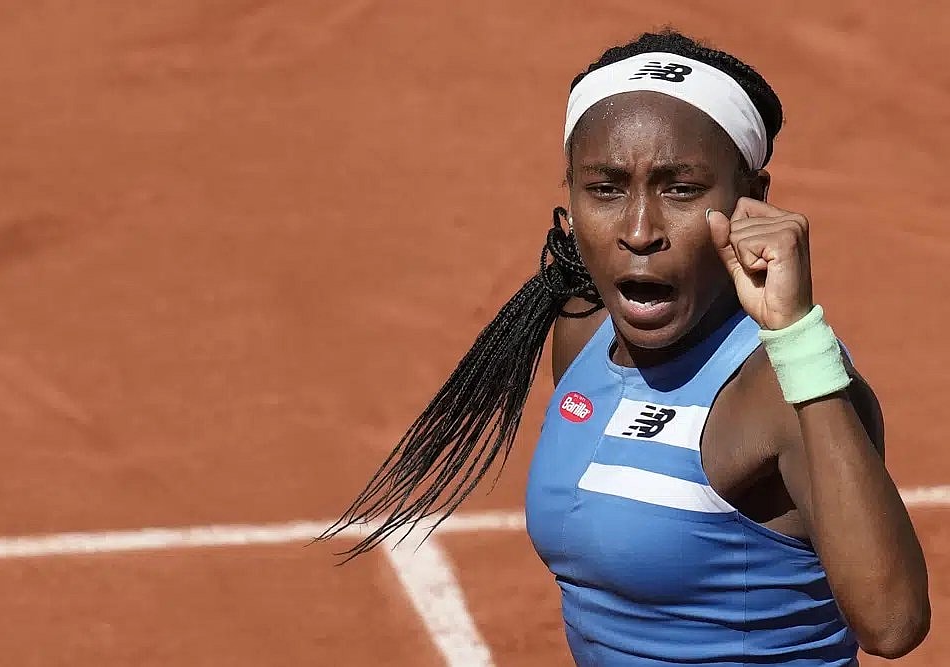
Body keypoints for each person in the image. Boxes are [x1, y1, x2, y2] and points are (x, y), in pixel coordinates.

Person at [320, 29, 930, 664]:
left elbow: (893, 625)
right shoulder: (582, 330)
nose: (640, 231)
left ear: (753, 199)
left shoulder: (784, 384)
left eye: (681, 188)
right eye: (605, 189)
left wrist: (797, 336)